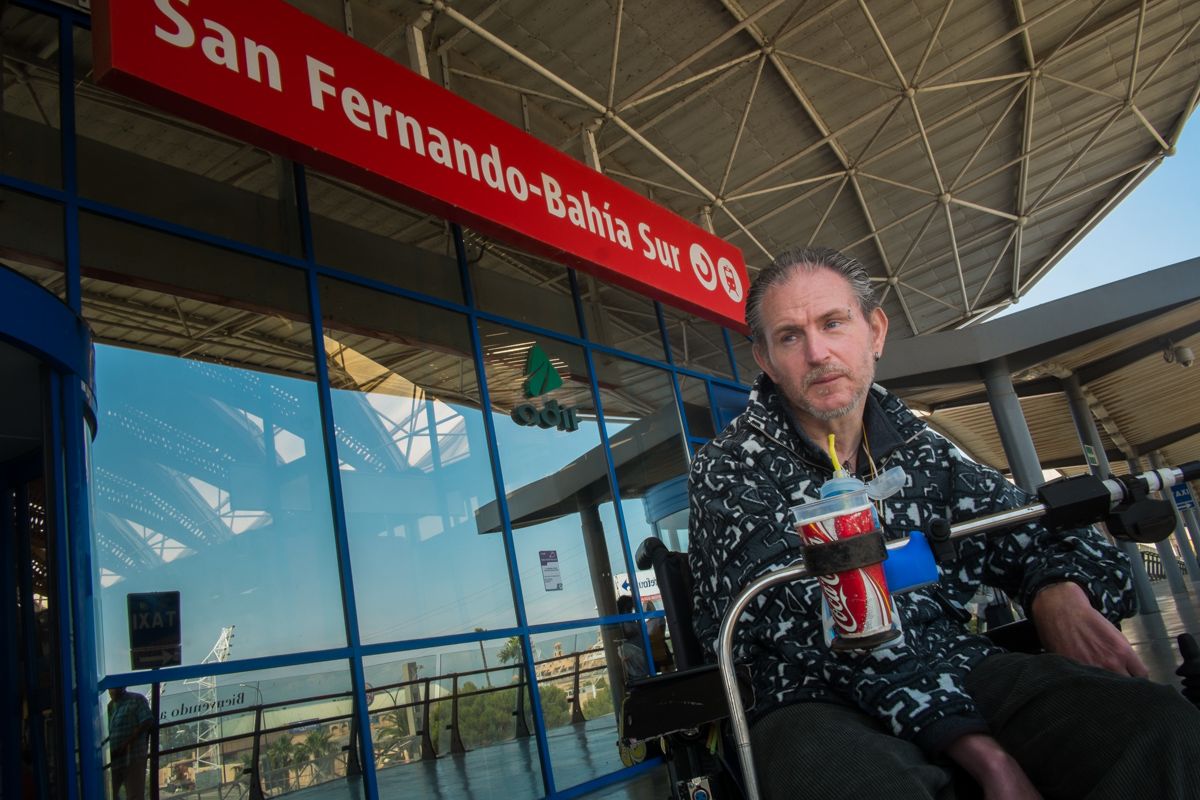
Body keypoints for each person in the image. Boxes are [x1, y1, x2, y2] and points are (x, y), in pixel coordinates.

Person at [688, 246, 1200, 799]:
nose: (818, 352)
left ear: (874, 331)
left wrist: (1058, 590)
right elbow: (807, 623)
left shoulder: (922, 451)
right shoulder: (727, 467)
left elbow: (1030, 530)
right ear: (765, 359)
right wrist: (973, 742)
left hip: (955, 660)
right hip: (804, 694)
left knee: (1156, 726)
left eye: (833, 323)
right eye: (790, 336)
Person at [107, 686, 154, 800]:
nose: (111, 691)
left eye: (114, 688)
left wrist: (128, 744)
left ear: (122, 687)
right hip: (115, 759)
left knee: (134, 794)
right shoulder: (110, 706)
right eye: (110, 689)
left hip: (133, 756)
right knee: (109, 793)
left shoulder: (136, 699)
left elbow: (147, 721)